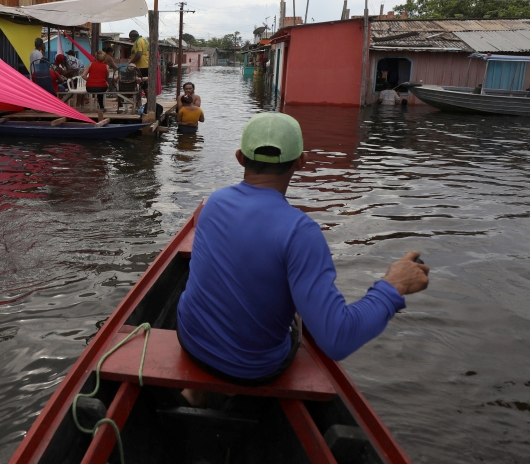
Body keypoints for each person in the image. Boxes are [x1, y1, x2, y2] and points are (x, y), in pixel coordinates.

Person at [176, 113, 429, 402]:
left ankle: (194, 390)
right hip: (254, 370)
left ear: (240, 158)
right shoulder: (300, 231)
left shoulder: (213, 203)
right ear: (301, 162)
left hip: (191, 343)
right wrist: (394, 286)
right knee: (300, 313)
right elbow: (337, 339)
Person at [84, 50, 110, 117]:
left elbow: (83, 75)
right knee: (101, 89)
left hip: (89, 87)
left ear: (96, 57)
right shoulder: (106, 66)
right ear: (104, 58)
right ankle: (102, 107)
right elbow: (106, 78)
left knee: (98, 88)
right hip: (101, 87)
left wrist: (89, 80)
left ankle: (101, 106)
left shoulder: (91, 64)